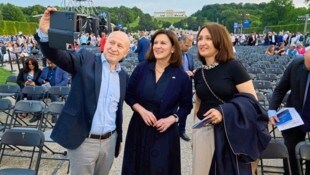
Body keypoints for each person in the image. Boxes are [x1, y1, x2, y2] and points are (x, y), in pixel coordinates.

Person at [37, 7, 130, 175]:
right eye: (111, 42)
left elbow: (120, 109)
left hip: (110, 142)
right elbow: (61, 57)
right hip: (84, 141)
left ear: (126, 51)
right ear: (104, 43)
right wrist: (45, 34)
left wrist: (119, 138)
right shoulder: (86, 59)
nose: (114, 48)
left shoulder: (123, 76)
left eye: (120, 45)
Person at [192, 23, 270, 175]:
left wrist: (223, 111)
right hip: (205, 132)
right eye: (200, 38)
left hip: (231, 132)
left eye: (208, 38)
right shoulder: (198, 73)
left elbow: (251, 101)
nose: (202, 42)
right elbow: (199, 102)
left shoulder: (233, 67)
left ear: (220, 41)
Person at [121, 29, 193, 175]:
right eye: (155, 43)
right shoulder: (142, 68)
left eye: (163, 43)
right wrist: (141, 110)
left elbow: (187, 106)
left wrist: (173, 119)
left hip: (165, 133)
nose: (158, 46)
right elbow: (128, 95)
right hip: (139, 129)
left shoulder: (181, 77)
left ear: (173, 48)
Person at [268, 49, 310, 175]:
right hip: (296, 114)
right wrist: (272, 110)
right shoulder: (297, 63)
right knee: (290, 151)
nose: (307, 68)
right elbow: (280, 89)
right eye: (306, 66)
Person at [178, 34, 194, 141]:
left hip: (187, 85)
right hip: (175, 85)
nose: (188, 48)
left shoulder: (189, 56)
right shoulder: (173, 55)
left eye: (190, 46)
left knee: (186, 107)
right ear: (180, 43)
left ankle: (181, 130)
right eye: (186, 45)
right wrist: (184, 73)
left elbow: (191, 69)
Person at [16, 56, 42, 122]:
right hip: (25, 88)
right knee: (19, 95)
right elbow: (18, 80)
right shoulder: (23, 70)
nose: (31, 66)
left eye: (32, 64)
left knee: (30, 95)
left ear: (35, 64)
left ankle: (26, 111)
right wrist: (24, 83)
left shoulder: (39, 71)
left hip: (34, 89)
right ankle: (21, 110)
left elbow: (40, 82)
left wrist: (34, 84)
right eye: (29, 64)